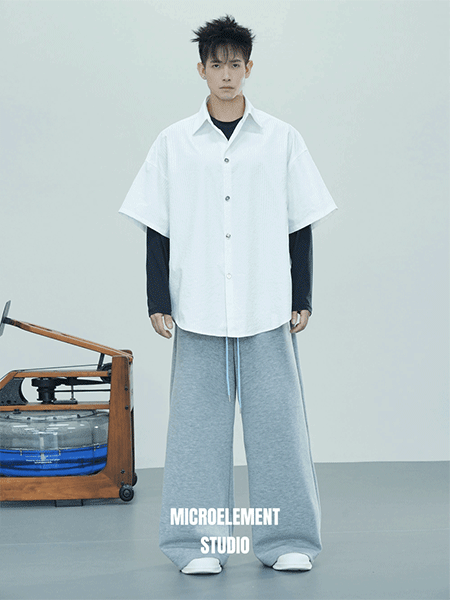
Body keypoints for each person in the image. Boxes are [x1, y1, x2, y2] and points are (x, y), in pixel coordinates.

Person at [119, 14, 337, 575]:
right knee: (196, 437)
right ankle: (197, 544)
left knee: (279, 431)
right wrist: (158, 302)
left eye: (235, 64)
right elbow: (157, 227)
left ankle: (287, 539)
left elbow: (300, 224)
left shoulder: (281, 139)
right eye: (215, 64)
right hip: (198, 310)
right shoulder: (173, 143)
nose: (225, 74)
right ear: (201, 70)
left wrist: (303, 295)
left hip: (266, 306)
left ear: (249, 68)